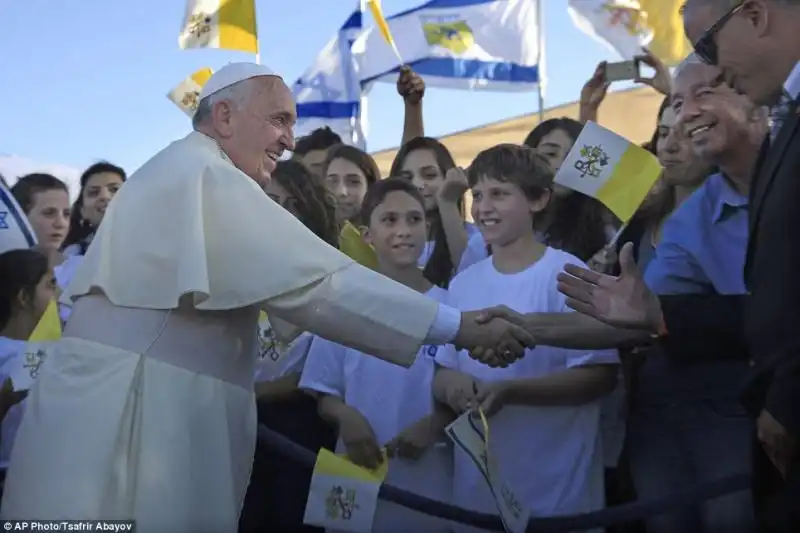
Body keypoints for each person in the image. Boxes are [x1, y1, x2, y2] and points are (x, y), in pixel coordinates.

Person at [0, 63, 533, 532]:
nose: (289, 139)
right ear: (226, 117)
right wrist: (457, 327)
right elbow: (321, 283)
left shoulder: (192, 172)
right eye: (278, 120)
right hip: (137, 411)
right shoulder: (204, 172)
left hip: (142, 398)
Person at [560, 0, 800, 528]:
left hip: (740, 413)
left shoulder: (771, 160)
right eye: (665, 125)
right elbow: (646, 313)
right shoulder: (671, 217)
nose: (675, 136)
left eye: (702, 95)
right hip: (672, 405)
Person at [432, 144, 618, 533]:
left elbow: (599, 375)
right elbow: (443, 373)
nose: (483, 207)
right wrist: (458, 390)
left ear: (538, 199)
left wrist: (512, 391)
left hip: (557, 493)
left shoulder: (569, 273)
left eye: (499, 194)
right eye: (477, 195)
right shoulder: (464, 283)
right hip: (479, 497)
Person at [300, 178, 454, 531]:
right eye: (390, 220)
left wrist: (436, 423)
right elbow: (323, 390)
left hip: (433, 483)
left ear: (427, 229)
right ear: (367, 235)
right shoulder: (345, 304)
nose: (403, 230)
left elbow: (466, 392)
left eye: (414, 220)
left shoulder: (451, 306)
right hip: (357, 480)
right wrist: (345, 417)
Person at [9, 174, 70, 254]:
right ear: (20, 216)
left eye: (66, 214)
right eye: (49, 213)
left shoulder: (79, 264)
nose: (61, 224)